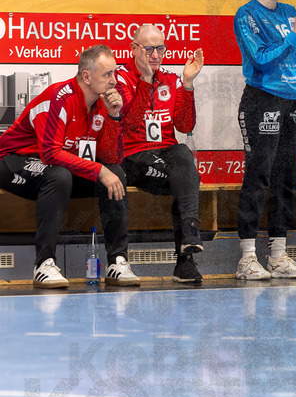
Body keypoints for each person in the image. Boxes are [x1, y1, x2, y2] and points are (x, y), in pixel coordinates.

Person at [0, 45, 139, 288]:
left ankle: (117, 262)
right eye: (107, 74)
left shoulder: (102, 103)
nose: (114, 80)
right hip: (12, 161)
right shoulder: (59, 98)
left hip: (54, 168)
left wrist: (114, 117)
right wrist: (98, 170)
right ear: (86, 76)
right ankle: (43, 264)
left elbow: (110, 158)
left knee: (116, 173)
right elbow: (51, 153)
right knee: (60, 175)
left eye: (114, 73)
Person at [233, 0, 296, 280]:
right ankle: (247, 258)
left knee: (289, 177)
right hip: (263, 98)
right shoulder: (247, 15)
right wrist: (294, 34)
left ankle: (278, 256)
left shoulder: (289, 11)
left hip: (294, 100)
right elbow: (261, 59)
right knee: (259, 176)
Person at [116, 25, 206, 284]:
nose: (155, 55)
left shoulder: (171, 79)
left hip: (165, 154)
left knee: (182, 152)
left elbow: (185, 126)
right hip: (133, 157)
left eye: (160, 49)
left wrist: (187, 84)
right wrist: (145, 81)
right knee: (186, 180)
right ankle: (185, 261)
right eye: (148, 49)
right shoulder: (120, 78)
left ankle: (189, 239)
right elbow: (130, 125)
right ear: (133, 49)